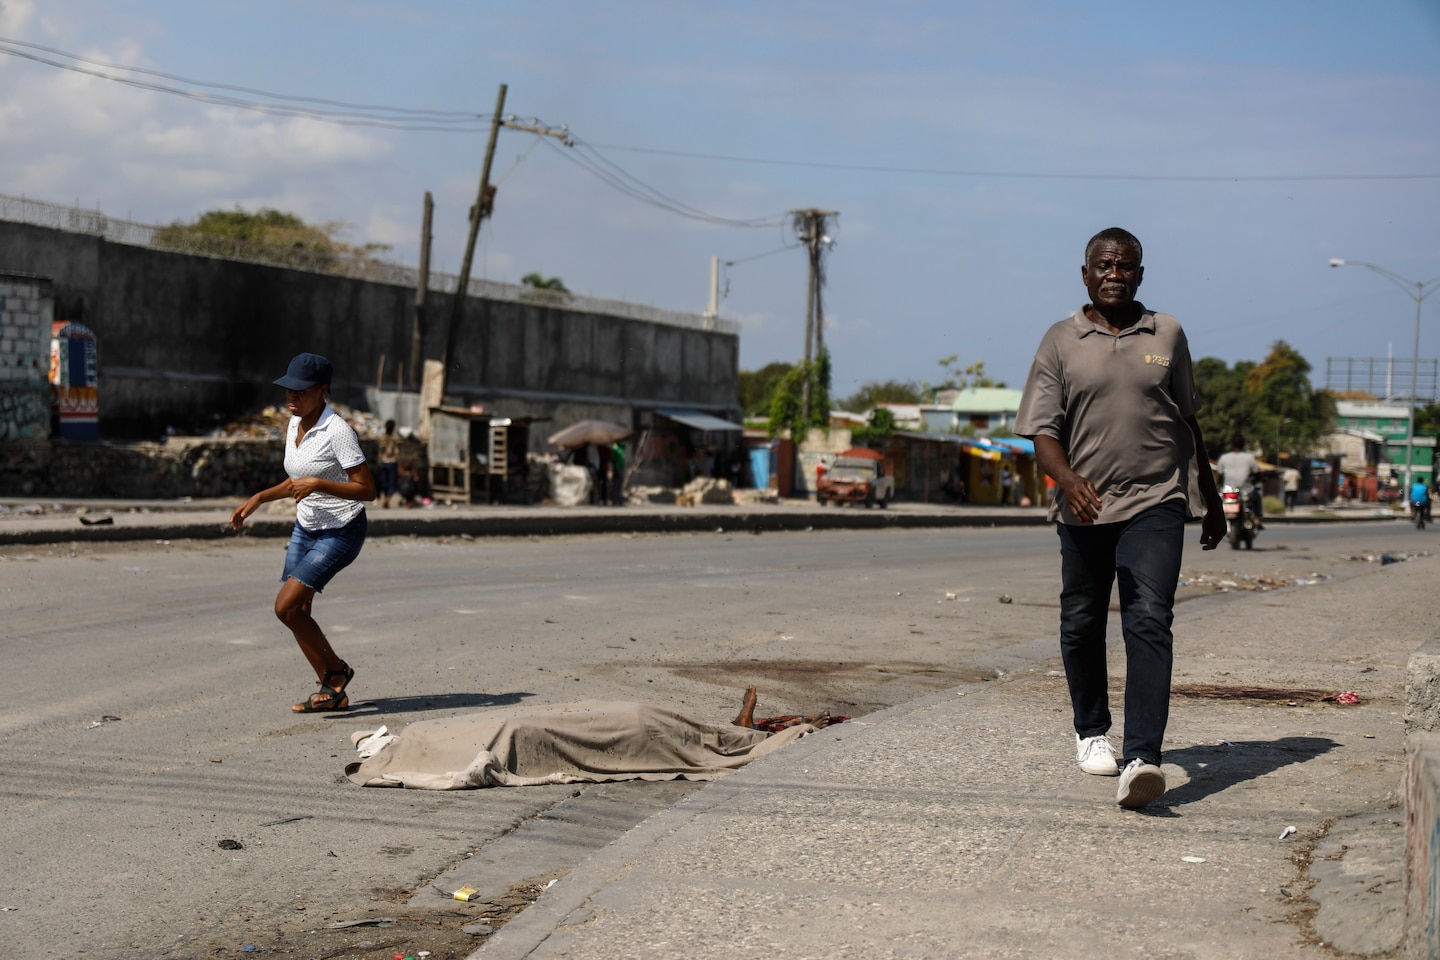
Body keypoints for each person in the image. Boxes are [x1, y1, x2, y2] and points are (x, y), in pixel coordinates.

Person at [1016, 227, 1225, 809]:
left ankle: (1143, 758)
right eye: (1104, 265)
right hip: (1083, 504)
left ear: (1140, 273)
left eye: (1126, 266)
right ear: (1085, 274)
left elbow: (1188, 420)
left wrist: (1209, 498)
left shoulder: (1168, 334)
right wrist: (1068, 480)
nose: (1115, 274)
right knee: (1082, 621)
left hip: (1157, 500)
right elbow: (1042, 431)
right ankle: (1090, 732)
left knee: (1149, 619)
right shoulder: (1060, 340)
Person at [230, 353, 376, 713]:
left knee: (286, 607)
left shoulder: (338, 431)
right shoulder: (294, 426)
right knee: (299, 610)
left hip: (341, 530)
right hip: (306, 527)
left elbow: (367, 490)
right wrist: (260, 498)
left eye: (301, 392)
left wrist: (319, 484)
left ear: (322, 391)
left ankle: (337, 673)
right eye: (287, 391)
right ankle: (331, 688)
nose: (292, 398)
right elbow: (296, 480)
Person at [1216, 435, 1263, 529]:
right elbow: (1257, 474)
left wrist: (1221, 484)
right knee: (1257, 496)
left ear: (1231, 444)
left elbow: (1220, 476)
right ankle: (1257, 518)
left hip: (1228, 490)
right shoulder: (1249, 458)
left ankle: (1218, 519)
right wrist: (1254, 481)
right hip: (1246, 490)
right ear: (1243, 445)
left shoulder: (1224, 458)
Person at [377, 419, 400, 508]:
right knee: (392, 482)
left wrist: (379, 462)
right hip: (392, 462)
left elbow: (380, 451)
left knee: (385, 482)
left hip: (384, 462)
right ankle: (388, 498)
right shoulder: (395, 438)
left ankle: (386, 497)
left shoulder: (383, 437)